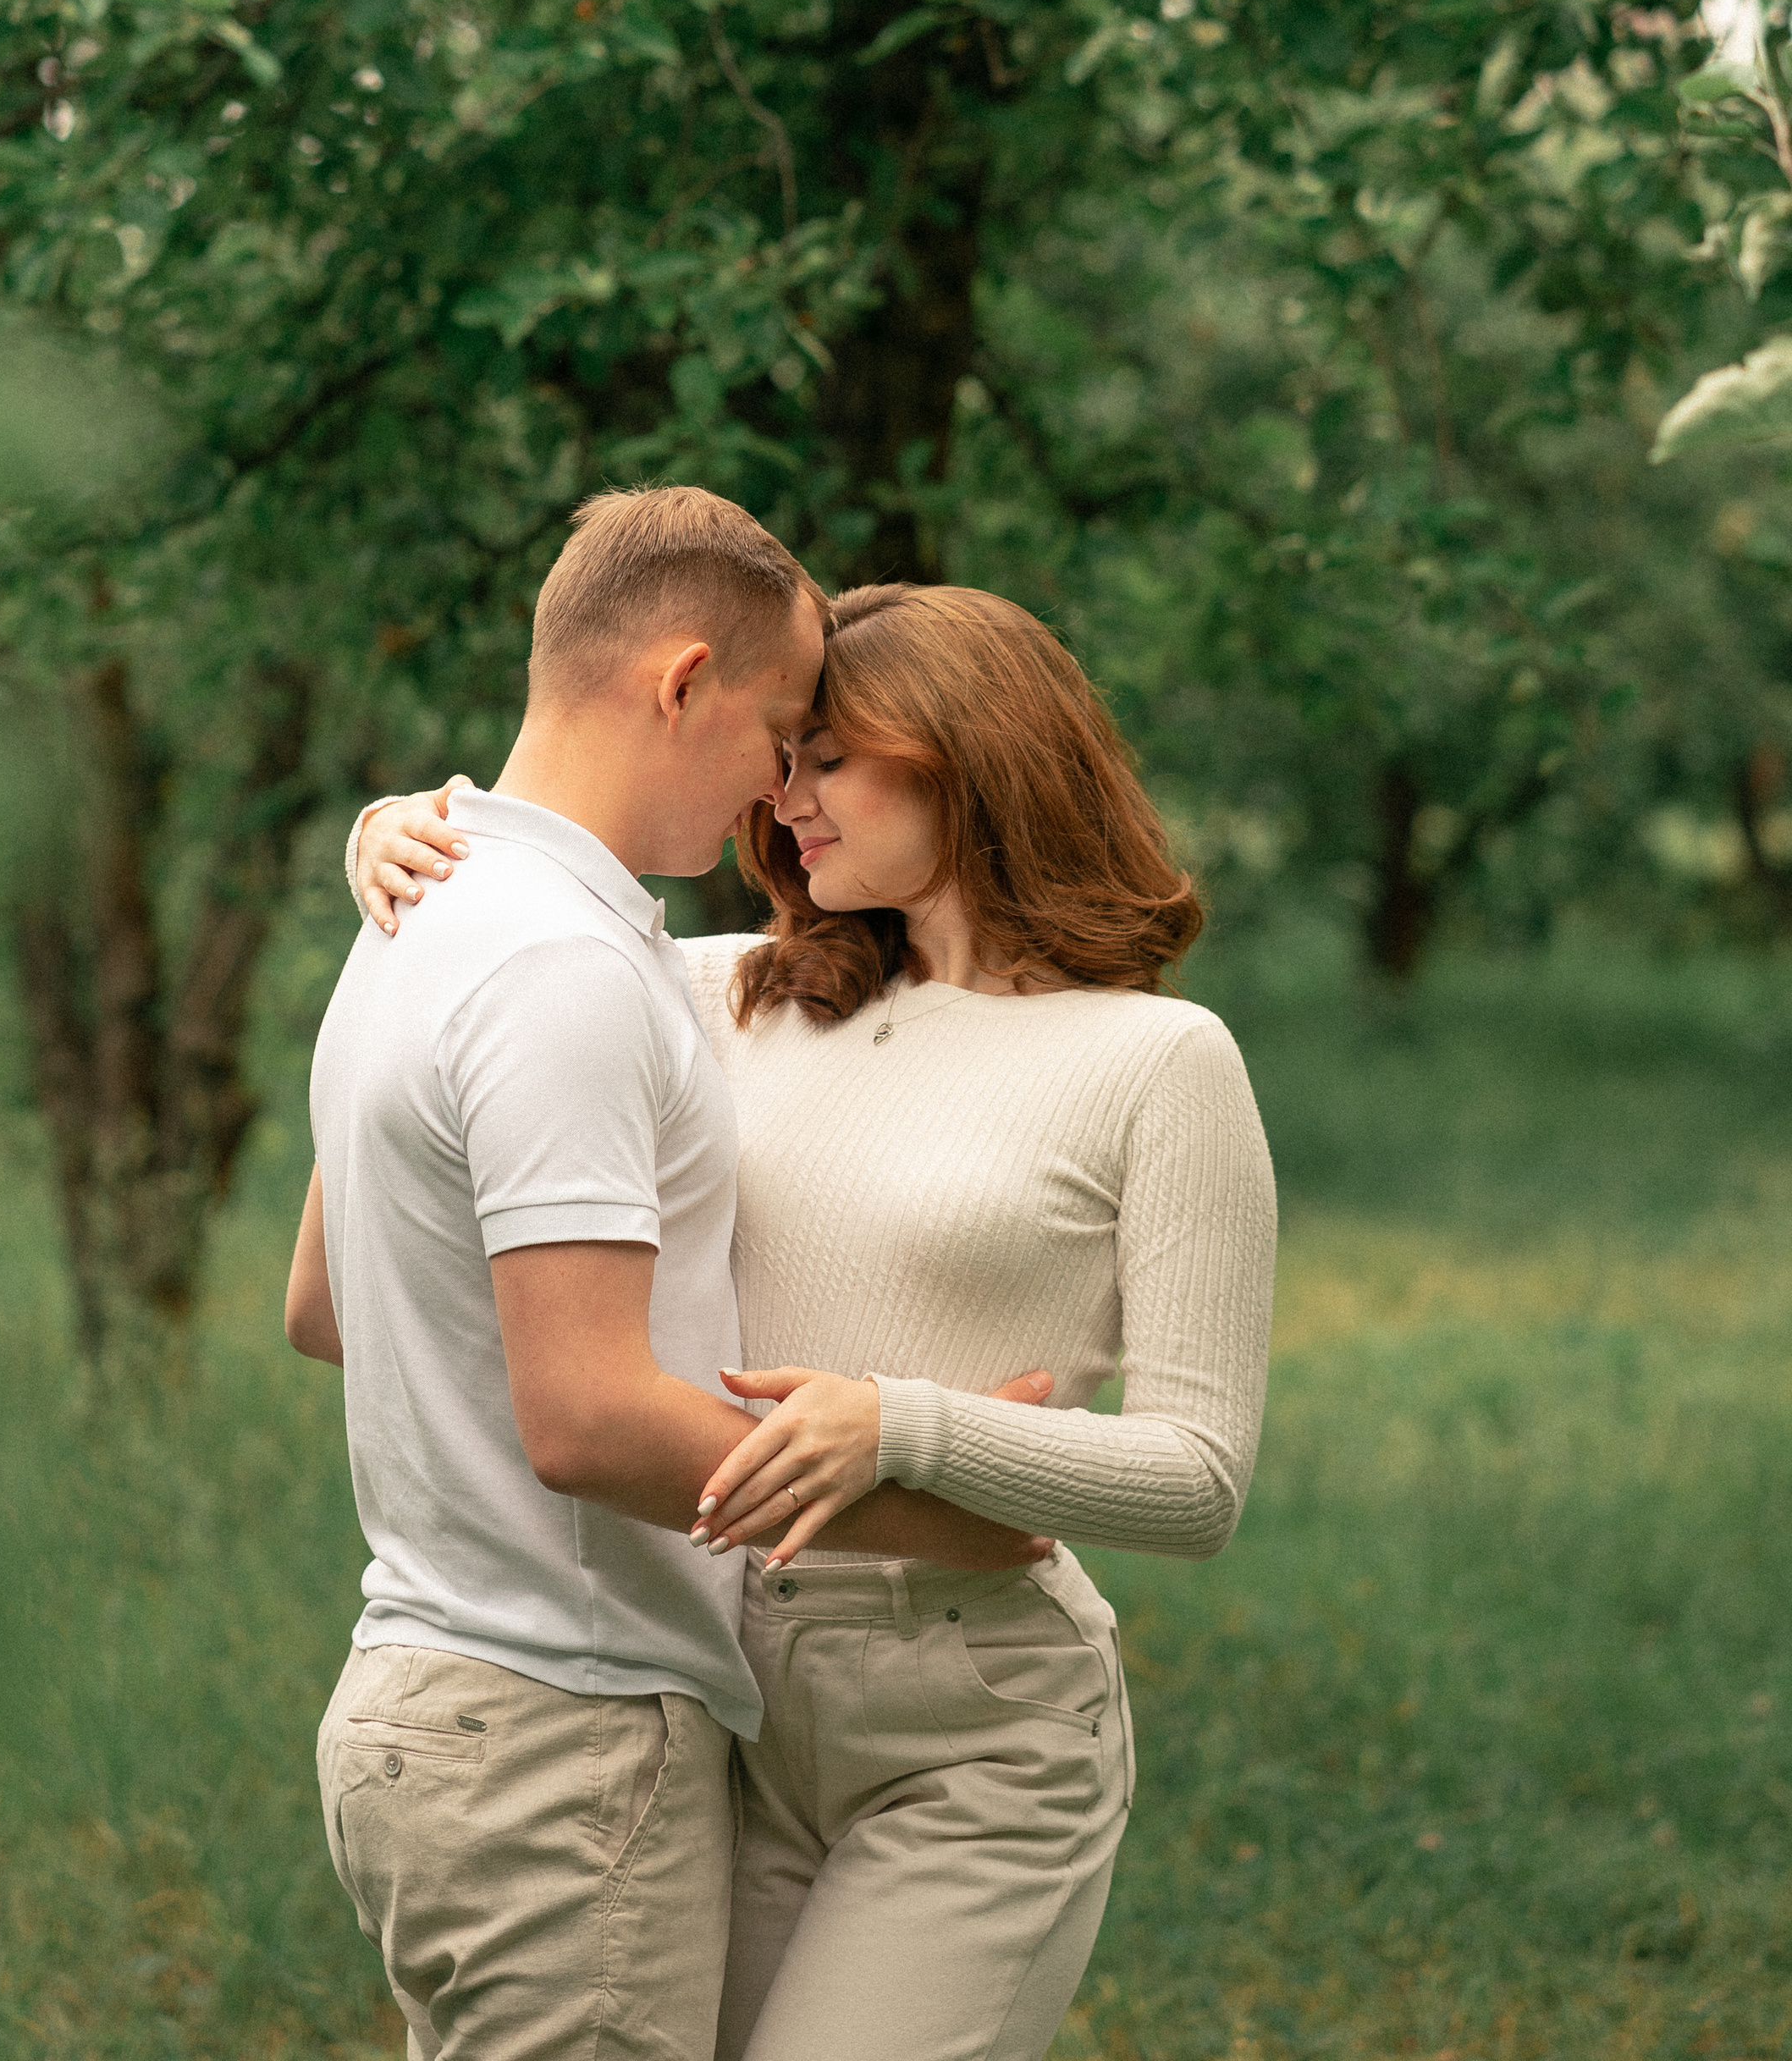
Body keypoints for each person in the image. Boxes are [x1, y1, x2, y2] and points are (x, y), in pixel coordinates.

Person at [354, 576, 1277, 2061]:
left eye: (829, 755)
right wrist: (393, 838)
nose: (782, 798)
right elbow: (495, 949)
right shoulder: (724, 989)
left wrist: (899, 1424)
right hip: (715, 1703)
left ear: (971, 757)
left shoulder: (1159, 1060)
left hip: (974, 1724)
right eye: (785, 753)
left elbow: (1200, 1477)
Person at [287, 494, 1050, 2061]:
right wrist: (943, 1502)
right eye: (780, 732)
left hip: (421, 1709)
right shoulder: (559, 966)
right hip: (555, 1737)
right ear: (680, 679)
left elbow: (325, 1306)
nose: (783, 789)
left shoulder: (422, 911)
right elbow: (583, 1419)